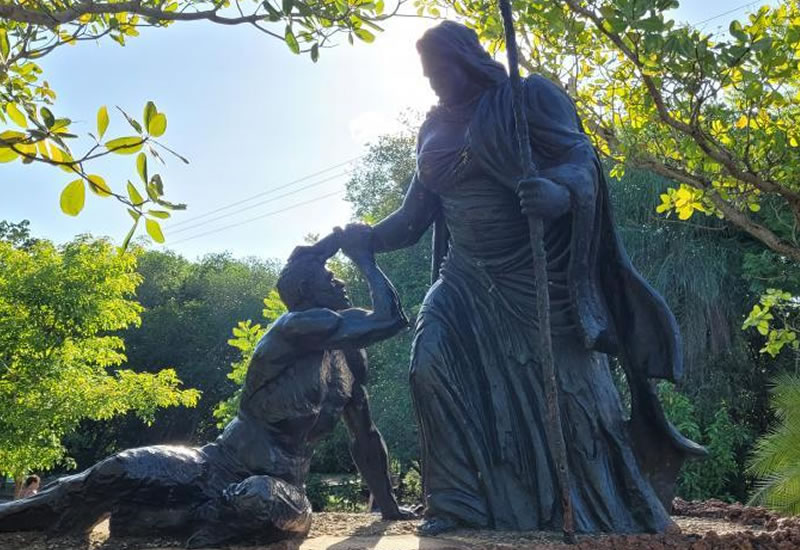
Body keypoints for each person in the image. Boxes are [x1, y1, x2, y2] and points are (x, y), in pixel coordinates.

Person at [360, 21, 706, 535]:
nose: (433, 82)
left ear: (467, 60)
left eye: (440, 70)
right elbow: (413, 219)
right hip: (462, 279)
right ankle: (457, 501)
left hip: (533, 276)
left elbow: (581, 162)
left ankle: (591, 509)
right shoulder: (432, 127)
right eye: (426, 73)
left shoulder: (527, 98)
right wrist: (364, 238)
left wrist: (558, 191)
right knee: (428, 367)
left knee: (566, 400)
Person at [0, 225, 413, 547]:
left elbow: (365, 433)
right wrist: (361, 254)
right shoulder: (295, 327)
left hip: (279, 489)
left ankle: (165, 518)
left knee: (260, 501)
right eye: (329, 278)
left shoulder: (349, 358)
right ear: (306, 292)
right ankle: (37, 515)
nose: (340, 283)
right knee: (119, 469)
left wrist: (389, 507)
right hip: (211, 465)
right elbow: (387, 319)